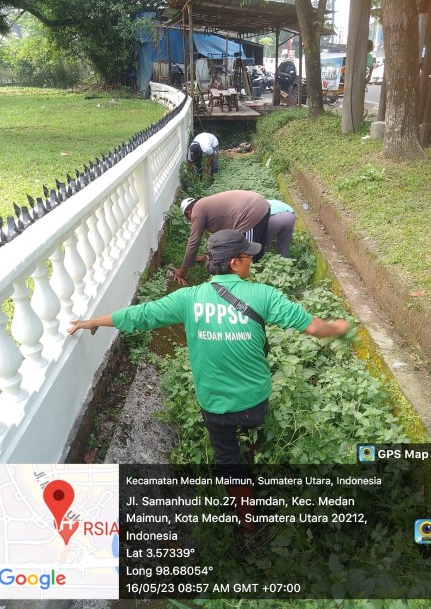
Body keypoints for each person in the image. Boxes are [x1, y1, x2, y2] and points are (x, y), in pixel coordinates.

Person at [68, 229, 349, 535]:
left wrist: (95, 321)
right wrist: (338, 327)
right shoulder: (264, 295)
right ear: (234, 264)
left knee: (226, 457)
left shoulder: (188, 298)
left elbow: (143, 315)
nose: (251, 260)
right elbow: (315, 328)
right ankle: (254, 450)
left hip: (215, 405)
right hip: (255, 400)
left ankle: (246, 520)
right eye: (247, 256)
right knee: (254, 427)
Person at [173, 190, 270, 285]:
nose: (192, 220)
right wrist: (206, 256)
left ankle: (249, 282)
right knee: (255, 250)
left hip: (252, 211)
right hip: (260, 204)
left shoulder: (197, 211)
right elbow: (221, 238)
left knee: (244, 251)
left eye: (189, 218)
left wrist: (182, 271)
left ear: (188, 212)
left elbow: (193, 242)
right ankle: (261, 274)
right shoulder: (206, 207)